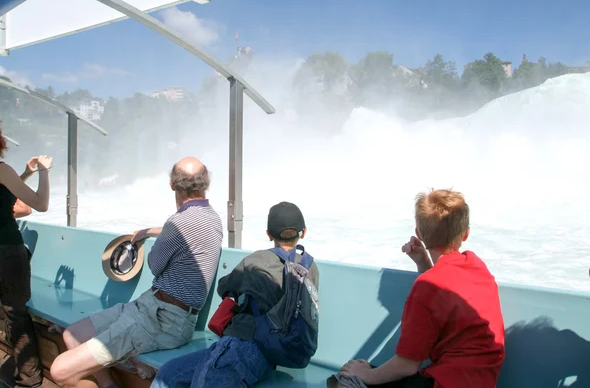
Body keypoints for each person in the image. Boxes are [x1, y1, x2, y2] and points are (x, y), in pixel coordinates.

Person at [50, 157, 224, 388]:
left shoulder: (178, 223)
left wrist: (157, 236)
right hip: (150, 309)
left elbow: (155, 264)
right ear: (206, 183)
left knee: (60, 371)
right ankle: (109, 385)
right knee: (73, 334)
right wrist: (148, 231)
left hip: (162, 322)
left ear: (172, 184)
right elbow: (182, 231)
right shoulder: (212, 218)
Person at [338, 189, 505, 388]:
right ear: (466, 233)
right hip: (483, 381)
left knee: (346, 380)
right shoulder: (477, 266)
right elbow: (446, 291)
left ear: (418, 233)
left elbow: (407, 365)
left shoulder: (426, 288)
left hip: (447, 383)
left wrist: (366, 375)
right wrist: (424, 264)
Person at [149, 201, 319, 388]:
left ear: (269, 235)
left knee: (167, 379)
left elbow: (225, 287)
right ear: (303, 232)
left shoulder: (257, 260)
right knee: (169, 374)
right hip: (270, 356)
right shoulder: (309, 268)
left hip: (241, 348)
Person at [0, 127, 52, 388]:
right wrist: (43, 171)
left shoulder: (5, 173)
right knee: (16, 314)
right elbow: (40, 204)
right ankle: (29, 380)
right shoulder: (2, 169)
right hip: (6, 251)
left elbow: (4, 191)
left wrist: (26, 173)